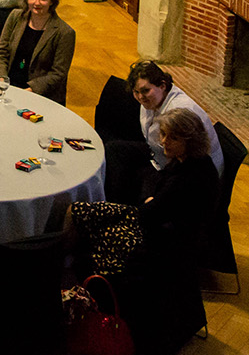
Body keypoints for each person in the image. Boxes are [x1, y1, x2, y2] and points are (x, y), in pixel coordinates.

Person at [71, 108, 221, 278]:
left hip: (166, 240)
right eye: (163, 134)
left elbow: (148, 215)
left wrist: (147, 202)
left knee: (79, 213)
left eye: (173, 138)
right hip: (160, 224)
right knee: (84, 212)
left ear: (190, 141)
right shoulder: (190, 160)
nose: (164, 141)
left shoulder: (188, 176)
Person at [129, 59, 224, 173]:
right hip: (162, 162)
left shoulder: (180, 112)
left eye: (145, 90)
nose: (140, 97)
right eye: (136, 92)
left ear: (162, 86)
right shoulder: (150, 101)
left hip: (191, 175)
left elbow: (188, 159)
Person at [0, 0, 76, 103]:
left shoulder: (65, 33)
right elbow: (1, 52)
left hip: (40, 94)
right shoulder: (15, 16)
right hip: (9, 86)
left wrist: (29, 91)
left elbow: (58, 74)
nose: (37, 3)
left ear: (52, 1)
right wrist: (2, 80)